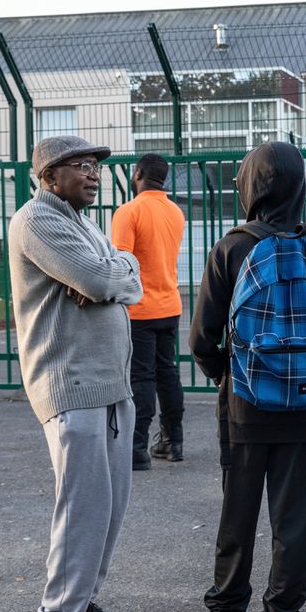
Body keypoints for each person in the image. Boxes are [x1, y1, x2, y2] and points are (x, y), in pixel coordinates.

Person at [189, 141, 306, 612]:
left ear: (250, 184)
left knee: (236, 525)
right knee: (294, 530)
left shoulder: (232, 248)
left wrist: (231, 377)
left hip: (244, 411)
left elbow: (203, 340)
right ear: (300, 185)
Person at [8, 135, 144, 612]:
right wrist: (107, 276)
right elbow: (94, 275)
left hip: (109, 382)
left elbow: (126, 274)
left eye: (95, 166)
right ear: (48, 177)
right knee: (82, 504)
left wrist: (115, 277)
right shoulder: (37, 221)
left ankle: (81, 600)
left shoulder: (82, 223)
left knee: (109, 505)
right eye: (80, 166)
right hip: (71, 383)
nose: (93, 174)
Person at [111, 153, 187, 469]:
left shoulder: (128, 212)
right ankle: (173, 441)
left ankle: (136, 448)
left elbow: (120, 265)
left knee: (141, 376)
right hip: (170, 305)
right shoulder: (175, 212)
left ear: (138, 173)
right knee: (168, 373)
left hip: (139, 308)